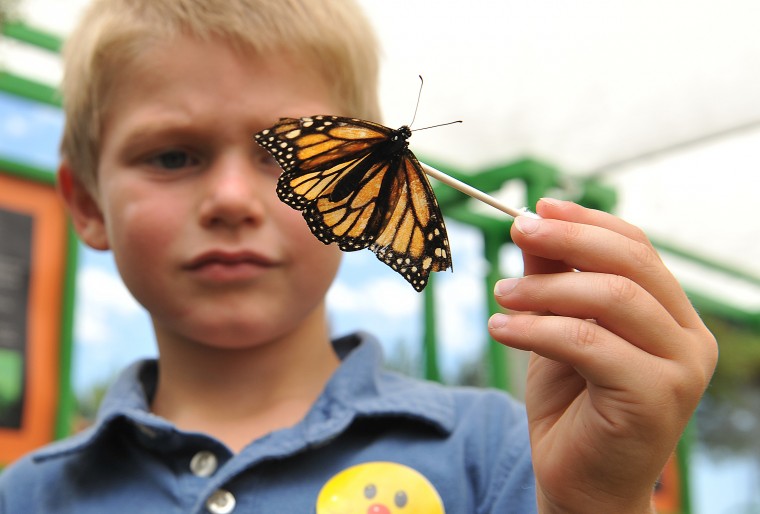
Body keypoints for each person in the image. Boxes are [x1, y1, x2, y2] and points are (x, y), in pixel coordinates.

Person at [0, 0, 718, 512]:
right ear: (88, 204)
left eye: (283, 156)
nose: (230, 199)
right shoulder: (27, 495)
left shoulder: (499, 449)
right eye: (173, 155)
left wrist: (598, 501)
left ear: (370, 194)